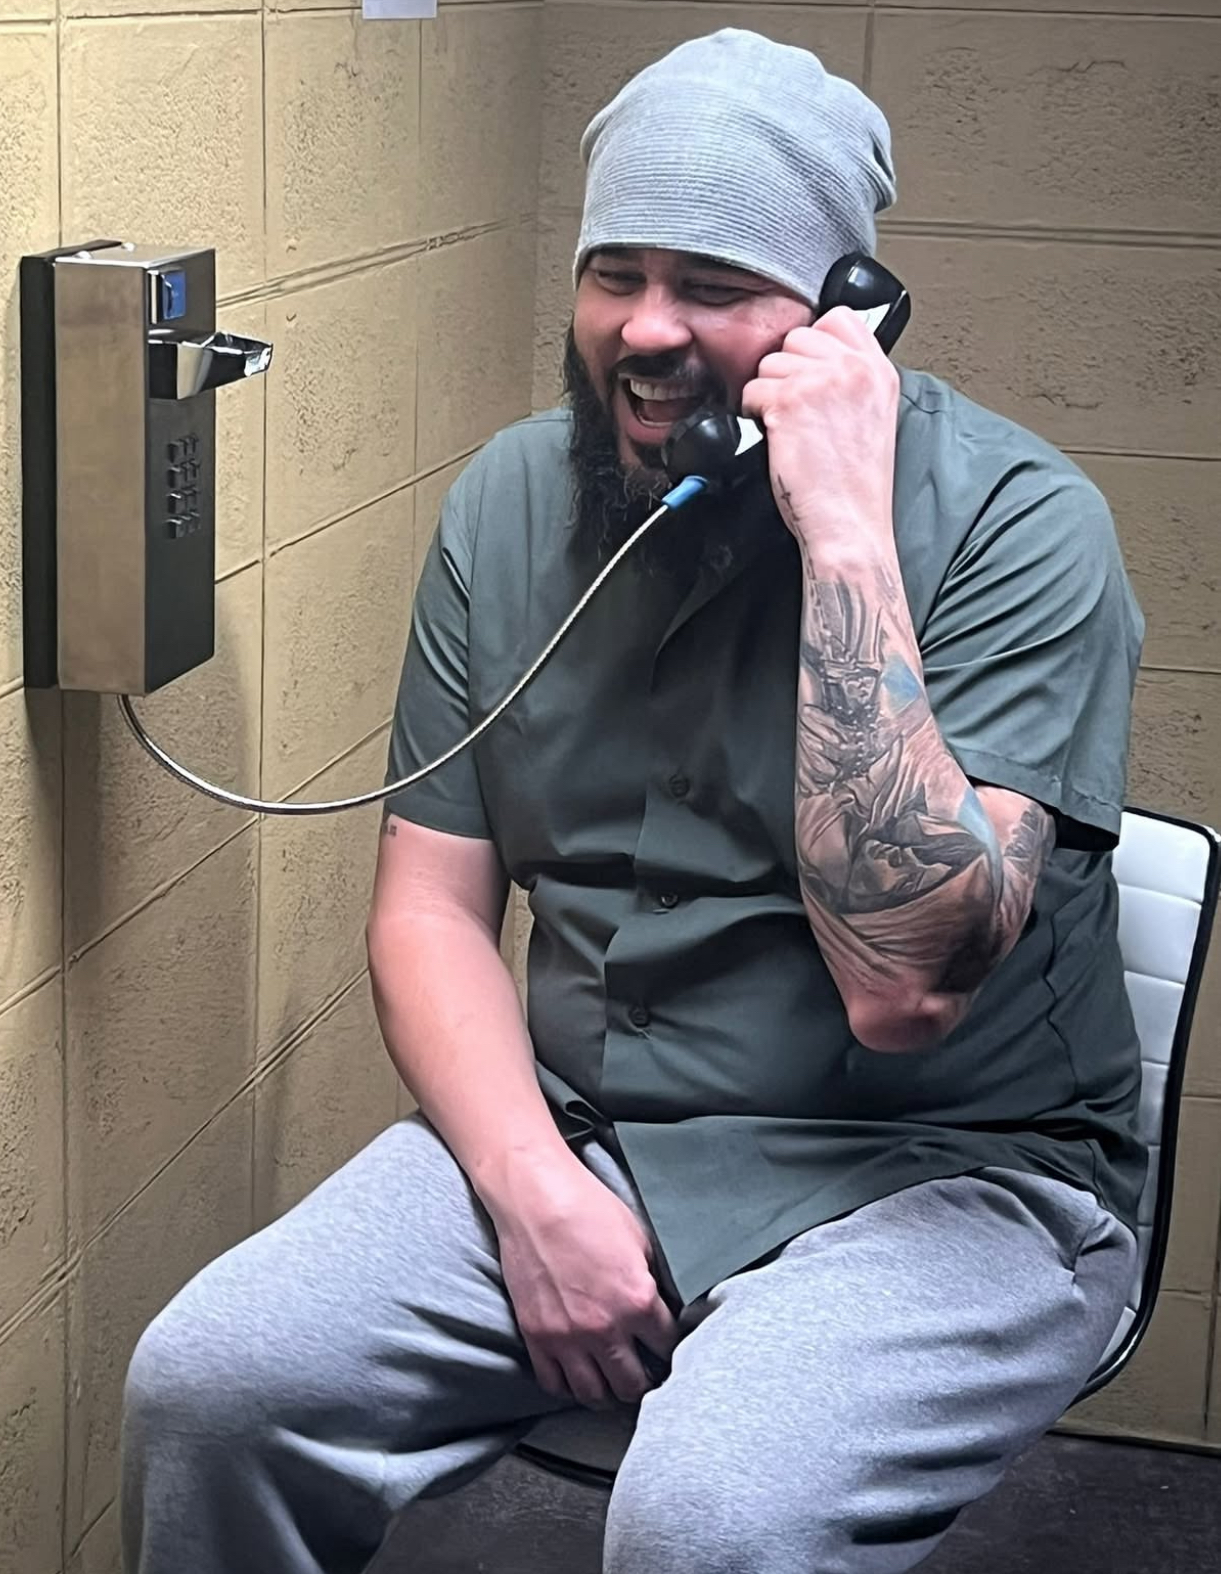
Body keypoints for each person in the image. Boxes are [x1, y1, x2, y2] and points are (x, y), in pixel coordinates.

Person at [121, 28, 1148, 1574]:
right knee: (213, 1381)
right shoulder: (509, 502)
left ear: (840, 315)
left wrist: (845, 537)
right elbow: (429, 909)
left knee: (708, 1517)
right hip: (590, 1130)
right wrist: (533, 1187)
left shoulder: (1020, 524)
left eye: (714, 286)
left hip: (939, 1171)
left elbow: (903, 989)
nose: (646, 329)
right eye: (615, 273)